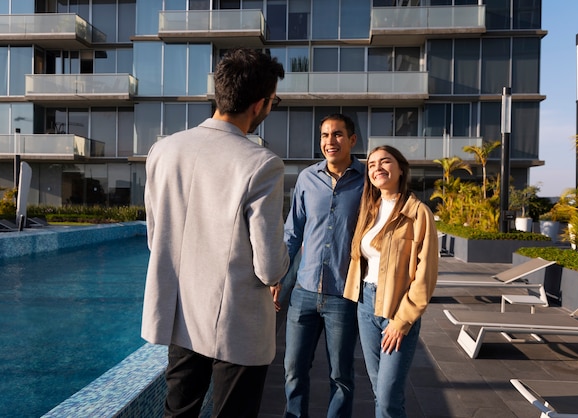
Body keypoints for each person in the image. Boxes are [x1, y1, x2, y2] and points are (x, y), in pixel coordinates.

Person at [141, 48, 289, 418]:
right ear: (259, 105)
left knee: (179, 412)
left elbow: (155, 237)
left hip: (182, 314)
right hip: (237, 323)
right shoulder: (262, 164)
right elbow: (269, 267)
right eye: (273, 100)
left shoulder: (163, 151)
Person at [278, 113, 365, 418]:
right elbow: (292, 232)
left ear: (352, 140)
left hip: (343, 294)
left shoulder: (367, 181)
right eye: (325, 135)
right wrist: (280, 278)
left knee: (341, 375)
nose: (331, 141)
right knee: (293, 369)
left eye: (338, 135)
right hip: (303, 291)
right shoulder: (306, 178)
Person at [343, 145, 438, 418]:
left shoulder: (418, 213)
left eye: (385, 162)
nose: (377, 168)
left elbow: (426, 274)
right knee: (380, 391)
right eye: (372, 164)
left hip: (397, 310)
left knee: (387, 398)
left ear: (400, 168)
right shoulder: (369, 210)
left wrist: (402, 320)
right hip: (366, 305)